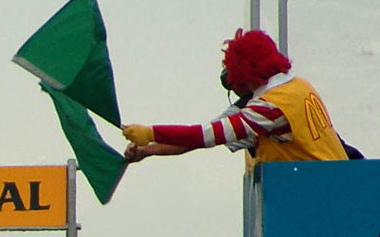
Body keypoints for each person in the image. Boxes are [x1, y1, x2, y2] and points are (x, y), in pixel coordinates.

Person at [121, 30, 352, 166]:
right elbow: (200, 138)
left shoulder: (269, 108)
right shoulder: (298, 86)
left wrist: (150, 133)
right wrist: (148, 149)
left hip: (318, 193)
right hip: (339, 178)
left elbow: (205, 135)